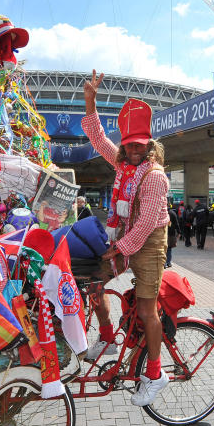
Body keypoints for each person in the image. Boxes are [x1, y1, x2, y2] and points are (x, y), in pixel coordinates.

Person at [82, 70, 171, 407]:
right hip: (124, 238)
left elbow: (147, 221)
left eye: (139, 145)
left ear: (149, 144)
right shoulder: (121, 166)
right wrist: (91, 102)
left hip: (148, 244)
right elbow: (98, 138)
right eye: (128, 144)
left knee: (148, 312)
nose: (133, 150)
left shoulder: (155, 176)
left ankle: (155, 373)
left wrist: (118, 248)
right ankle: (107, 339)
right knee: (94, 282)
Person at [166, 200, 179, 268]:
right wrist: (179, 232)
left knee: (163, 248)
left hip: (163, 234)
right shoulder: (172, 213)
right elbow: (176, 224)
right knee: (169, 248)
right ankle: (168, 262)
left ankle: (164, 263)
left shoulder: (161, 213)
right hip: (171, 233)